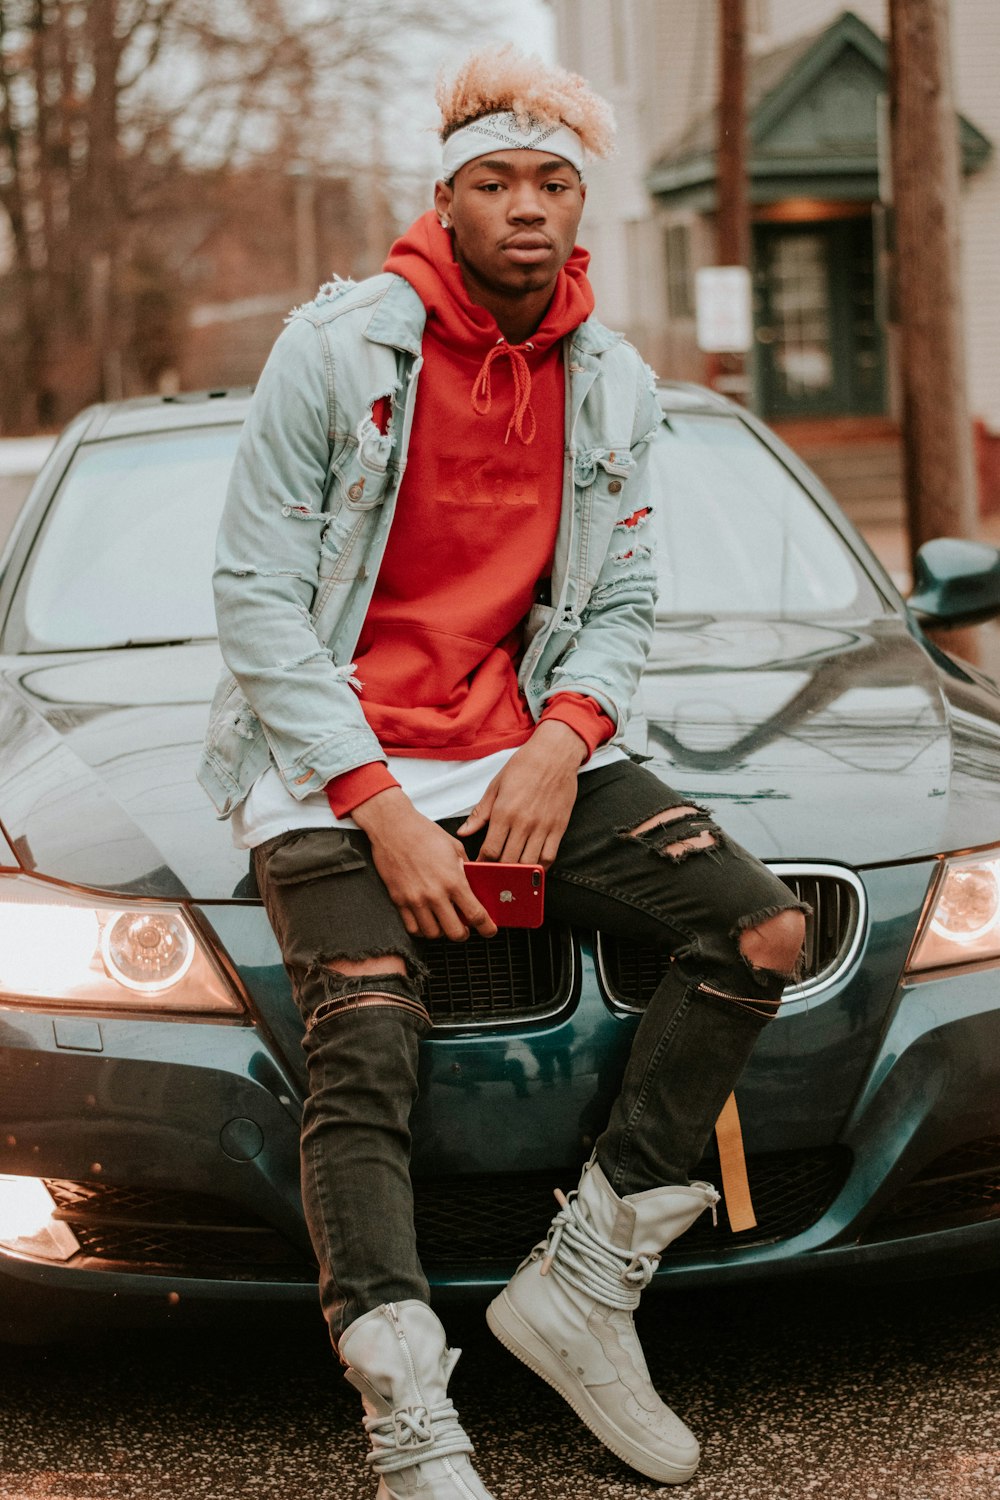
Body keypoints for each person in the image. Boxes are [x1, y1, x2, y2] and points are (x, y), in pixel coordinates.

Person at [199, 45, 807, 1498]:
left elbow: (623, 601)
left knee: (760, 927)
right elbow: (255, 595)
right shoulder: (340, 350)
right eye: (495, 180)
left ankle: (587, 1282)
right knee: (367, 1023)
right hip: (329, 755)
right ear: (447, 197)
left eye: (551, 181)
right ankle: (410, 1412)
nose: (525, 207)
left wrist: (559, 740)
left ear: (581, 204)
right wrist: (379, 810)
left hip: (513, 735)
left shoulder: (616, 381)